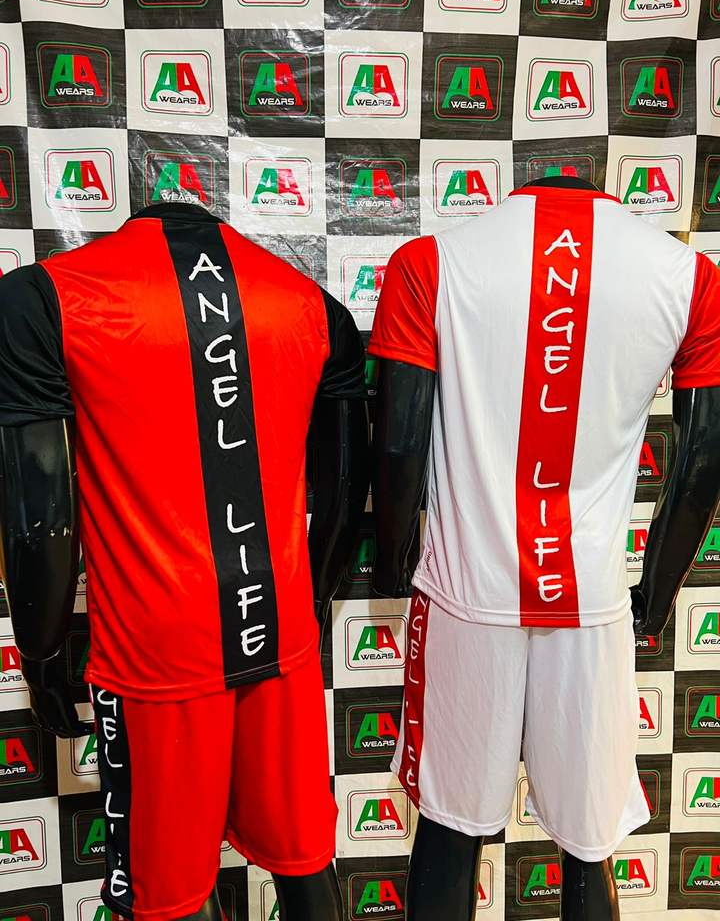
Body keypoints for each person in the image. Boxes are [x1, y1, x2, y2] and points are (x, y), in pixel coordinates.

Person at [0, 201, 370, 921]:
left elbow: (39, 511)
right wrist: (316, 601)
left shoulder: (45, 298)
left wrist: (41, 653)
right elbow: (346, 486)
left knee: (169, 893)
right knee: (304, 859)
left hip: (157, 652)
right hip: (281, 635)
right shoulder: (311, 303)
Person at [369, 175, 720, 920]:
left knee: (449, 833)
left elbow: (397, 443)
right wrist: (657, 592)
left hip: (467, 596)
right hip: (590, 604)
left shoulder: (432, 264)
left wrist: (392, 557)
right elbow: (706, 456)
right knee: (588, 850)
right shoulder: (687, 278)